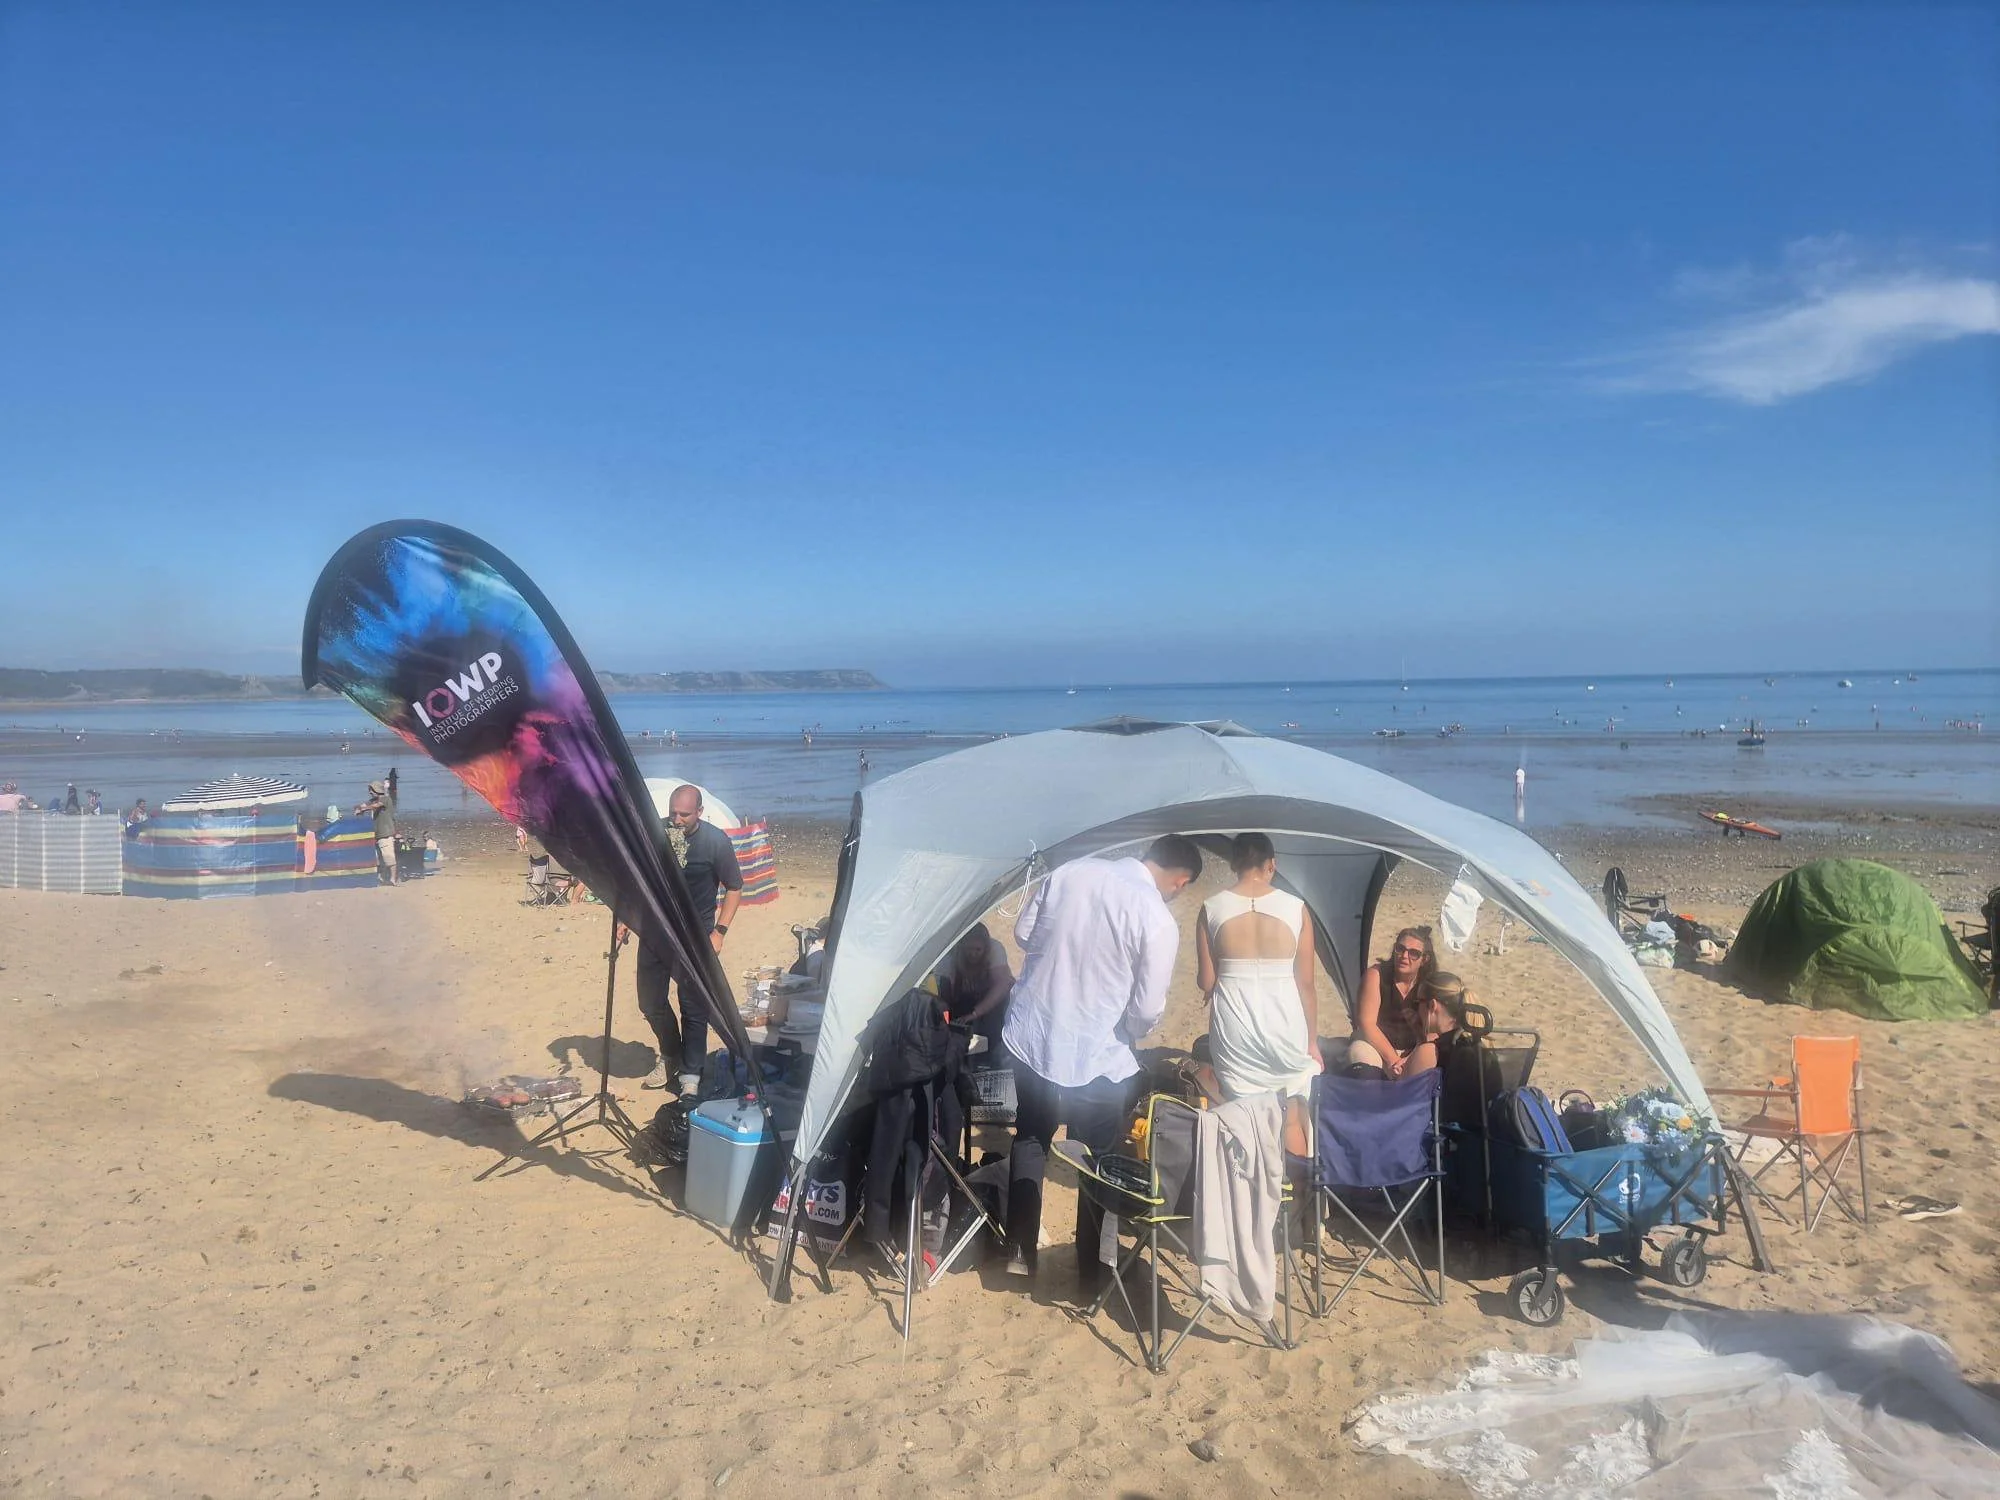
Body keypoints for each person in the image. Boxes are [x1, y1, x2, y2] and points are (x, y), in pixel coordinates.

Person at [1001, 834, 1204, 1288]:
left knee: (1031, 1137)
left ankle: (1019, 1251)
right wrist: (1128, 1032)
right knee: (1094, 1156)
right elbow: (1148, 1008)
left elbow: (1022, 933)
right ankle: (1091, 1267)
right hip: (1097, 1050)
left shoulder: (1072, 870)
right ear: (1180, 881)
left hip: (1036, 1030)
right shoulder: (1156, 917)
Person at [1195, 833, 1322, 1110]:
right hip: (1284, 1021)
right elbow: (1306, 985)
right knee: (1293, 1103)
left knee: (1240, 1108)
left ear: (1233, 864)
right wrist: (1311, 1042)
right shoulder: (1296, 908)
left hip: (1235, 1022)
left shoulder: (1211, 908)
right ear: (1272, 864)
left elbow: (1206, 981)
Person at [636, 785, 743, 1093]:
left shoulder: (715, 841)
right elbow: (642, 877)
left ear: (699, 812)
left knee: (692, 1005)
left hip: (696, 936)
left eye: (684, 814)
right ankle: (671, 1054)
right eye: (673, 813)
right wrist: (629, 921)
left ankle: (690, 1074)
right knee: (650, 1001)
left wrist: (719, 932)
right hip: (656, 930)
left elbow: (734, 887)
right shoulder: (657, 831)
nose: (677, 820)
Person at [1350, 926, 1437, 1078]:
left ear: (1424, 959)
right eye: (1400, 948)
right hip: (1375, 1045)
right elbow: (1366, 1023)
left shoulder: (1429, 984)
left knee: (1430, 1058)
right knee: (1362, 1057)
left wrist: (1409, 1058)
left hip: (1412, 1050)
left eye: (1414, 953)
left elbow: (1434, 1030)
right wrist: (1393, 1060)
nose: (1404, 955)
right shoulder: (1376, 975)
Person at [356, 781, 397, 885]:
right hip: (377, 834)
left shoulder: (386, 799)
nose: (370, 792)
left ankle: (393, 879)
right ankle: (380, 877)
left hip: (386, 833)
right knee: (378, 859)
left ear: (377, 790)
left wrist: (363, 809)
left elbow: (376, 806)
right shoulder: (374, 800)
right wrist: (359, 808)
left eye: (371, 790)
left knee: (389, 858)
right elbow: (365, 804)